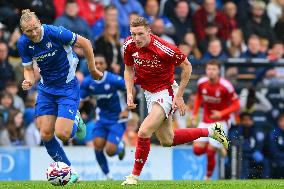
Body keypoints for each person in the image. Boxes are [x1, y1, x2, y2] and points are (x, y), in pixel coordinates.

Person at [121, 16, 229, 185]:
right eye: (133, 34)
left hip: (166, 91)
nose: (136, 38)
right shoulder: (128, 45)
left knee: (143, 131)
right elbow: (128, 69)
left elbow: (187, 66)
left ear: (149, 32)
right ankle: (211, 131)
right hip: (148, 93)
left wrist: (179, 96)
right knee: (167, 140)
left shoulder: (164, 48)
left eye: (140, 34)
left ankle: (133, 177)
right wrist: (129, 92)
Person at [17, 9, 103, 185]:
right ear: (22, 31)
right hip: (46, 89)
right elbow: (28, 69)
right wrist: (28, 81)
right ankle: (69, 173)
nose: (33, 33)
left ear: (39, 22)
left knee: (63, 134)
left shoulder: (56, 33)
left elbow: (85, 43)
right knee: (46, 133)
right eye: (28, 31)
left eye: (34, 28)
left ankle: (76, 120)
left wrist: (93, 69)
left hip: (67, 87)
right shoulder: (23, 43)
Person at [80, 54, 129, 180]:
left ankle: (120, 146)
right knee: (97, 144)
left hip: (117, 118)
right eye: (95, 63)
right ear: (91, 65)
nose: (98, 65)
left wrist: (127, 109)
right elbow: (80, 99)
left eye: (101, 63)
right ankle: (108, 175)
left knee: (110, 151)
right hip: (101, 118)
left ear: (105, 65)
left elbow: (130, 90)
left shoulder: (114, 80)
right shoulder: (87, 82)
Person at [191, 59, 240, 180]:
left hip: (222, 121)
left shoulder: (226, 86)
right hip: (205, 120)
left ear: (218, 71)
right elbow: (198, 97)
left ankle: (207, 178)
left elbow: (237, 104)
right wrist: (194, 113)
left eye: (214, 69)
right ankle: (218, 146)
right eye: (209, 69)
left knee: (209, 151)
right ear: (206, 70)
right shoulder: (202, 82)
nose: (211, 71)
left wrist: (221, 113)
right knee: (197, 150)